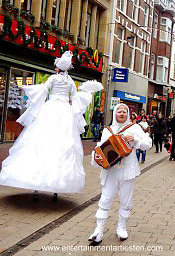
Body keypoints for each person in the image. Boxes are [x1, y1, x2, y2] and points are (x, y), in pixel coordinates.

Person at [0, 51, 103, 201]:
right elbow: (74, 97)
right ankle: (56, 189)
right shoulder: (70, 81)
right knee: (62, 144)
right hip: (64, 112)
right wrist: (84, 96)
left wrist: (29, 90)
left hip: (50, 109)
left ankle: (36, 186)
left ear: (57, 68)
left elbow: (43, 89)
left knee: (41, 140)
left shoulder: (53, 78)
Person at [87, 103, 152, 244]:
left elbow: (148, 143)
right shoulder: (107, 130)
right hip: (110, 171)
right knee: (105, 199)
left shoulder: (134, 128)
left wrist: (136, 140)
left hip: (127, 170)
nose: (121, 114)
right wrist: (95, 157)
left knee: (125, 200)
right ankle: (98, 231)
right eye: (119, 112)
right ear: (115, 114)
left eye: (124, 112)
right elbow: (100, 148)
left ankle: (121, 227)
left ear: (128, 114)